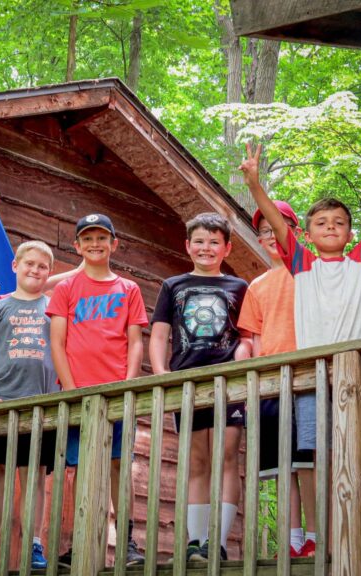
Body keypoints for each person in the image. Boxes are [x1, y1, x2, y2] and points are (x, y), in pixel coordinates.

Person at [240, 139, 361, 530]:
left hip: (355, 376)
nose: (331, 227)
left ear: (349, 234)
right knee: (312, 456)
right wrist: (255, 184)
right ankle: (315, 534)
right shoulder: (302, 264)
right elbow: (275, 221)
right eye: (322, 223)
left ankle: (352, 531)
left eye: (340, 223)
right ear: (308, 235)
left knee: (354, 453)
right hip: (313, 376)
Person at [46, 213, 148, 567]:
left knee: (120, 464)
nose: (95, 244)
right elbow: (57, 342)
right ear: (77, 246)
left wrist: (129, 383)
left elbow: (135, 341)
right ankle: (82, 539)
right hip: (78, 393)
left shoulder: (128, 289)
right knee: (80, 466)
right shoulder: (66, 289)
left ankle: (127, 540)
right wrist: (72, 390)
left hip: (117, 391)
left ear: (113, 244)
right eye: (87, 239)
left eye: (102, 238)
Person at [149, 212, 249, 563]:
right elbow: (160, 334)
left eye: (214, 242)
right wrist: (162, 373)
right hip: (186, 382)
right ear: (188, 245)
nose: (206, 248)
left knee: (226, 457)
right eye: (200, 242)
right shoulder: (173, 285)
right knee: (197, 460)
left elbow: (247, 335)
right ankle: (196, 541)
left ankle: (217, 542)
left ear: (227, 248)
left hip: (229, 384)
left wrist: (243, 359)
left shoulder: (239, 287)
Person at [236, 201, 316, 558]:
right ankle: (292, 539)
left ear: (295, 233)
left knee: (308, 463)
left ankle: (316, 536)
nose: (271, 235)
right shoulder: (256, 286)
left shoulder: (311, 272)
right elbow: (250, 340)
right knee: (283, 467)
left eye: (277, 228)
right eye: (264, 230)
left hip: (308, 377)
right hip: (270, 384)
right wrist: (249, 373)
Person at [0, 241, 58, 570]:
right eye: (29, 264)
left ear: (49, 273)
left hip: (41, 406)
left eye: (42, 267)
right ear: (15, 266)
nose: (35, 270)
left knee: (33, 475)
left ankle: (34, 543)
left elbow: (62, 350)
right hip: (1, 402)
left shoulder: (53, 309)